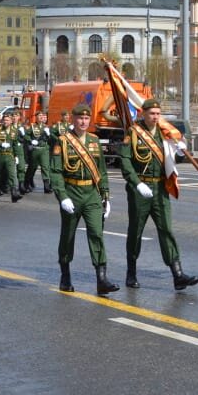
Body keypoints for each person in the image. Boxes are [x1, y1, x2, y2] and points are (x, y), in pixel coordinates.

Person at [119, 99, 198, 290]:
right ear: (143, 113)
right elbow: (125, 161)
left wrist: (179, 151)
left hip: (160, 188)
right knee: (136, 231)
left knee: (166, 230)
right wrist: (136, 184)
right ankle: (131, 272)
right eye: (151, 113)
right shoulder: (134, 133)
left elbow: (170, 157)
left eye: (157, 113)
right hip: (141, 189)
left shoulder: (164, 133)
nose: (154, 117)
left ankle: (177, 274)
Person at [49, 104, 117, 295]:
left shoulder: (95, 141)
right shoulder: (62, 141)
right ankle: (65, 274)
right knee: (68, 235)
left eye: (87, 119)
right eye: (80, 118)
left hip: (92, 195)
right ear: (73, 119)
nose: (83, 122)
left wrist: (105, 196)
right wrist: (62, 197)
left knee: (96, 233)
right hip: (72, 192)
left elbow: (102, 171)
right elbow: (55, 172)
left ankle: (102, 279)